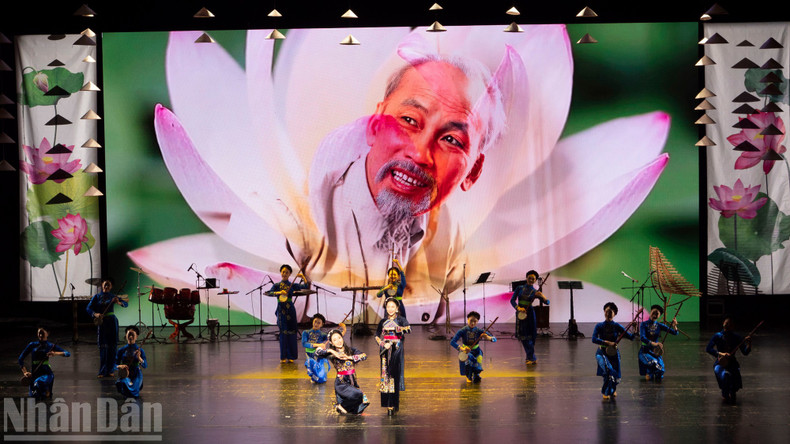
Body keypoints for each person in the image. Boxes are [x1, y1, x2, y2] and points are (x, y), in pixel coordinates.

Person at [308, 52, 510, 323]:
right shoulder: (307, 210)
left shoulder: (450, 236)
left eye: (451, 139)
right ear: (375, 124)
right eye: (410, 120)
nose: (420, 154)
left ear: (473, 171)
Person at [314, 329, 369, 415]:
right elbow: (317, 352)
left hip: (352, 381)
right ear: (331, 343)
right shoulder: (332, 354)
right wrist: (331, 351)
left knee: (362, 404)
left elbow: (364, 356)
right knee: (360, 395)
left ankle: (344, 408)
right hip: (341, 383)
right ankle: (342, 406)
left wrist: (349, 357)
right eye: (335, 340)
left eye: (339, 338)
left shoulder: (351, 350)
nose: (338, 341)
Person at [592, 302, 635, 400]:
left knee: (616, 375)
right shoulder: (599, 326)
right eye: (607, 310)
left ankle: (612, 389)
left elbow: (631, 337)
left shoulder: (617, 326)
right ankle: (605, 391)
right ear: (604, 312)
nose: (608, 313)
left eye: (611, 311)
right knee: (608, 371)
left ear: (614, 313)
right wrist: (607, 342)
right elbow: (594, 339)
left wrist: (635, 328)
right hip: (602, 352)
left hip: (614, 354)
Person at [375, 297, 411, 415]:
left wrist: (399, 329)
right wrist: (382, 343)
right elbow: (376, 335)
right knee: (385, 375)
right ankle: (388, 404)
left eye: (392, 307)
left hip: (396, 349)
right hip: (385, 350)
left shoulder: (401, 319)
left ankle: (394, 403)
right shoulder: (383, 321)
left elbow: (409, 329)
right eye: (388, 307)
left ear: (396, 308)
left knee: (393, 375)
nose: (390, 309)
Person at [269, 264, 311, 363]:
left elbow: (305, 286)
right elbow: (269, 293)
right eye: (283, 272)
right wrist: (279, 293)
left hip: (290, 310)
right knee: (283, 333)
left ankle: (291, 356)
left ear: (290, 274)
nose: (284, 274)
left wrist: (303, 277)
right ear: (280, 273)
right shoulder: (277, 285)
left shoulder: (292, 285)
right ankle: (283, 356)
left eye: (287, 272)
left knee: (292, 332)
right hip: (281, 310)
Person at [706, 315, 752, 404]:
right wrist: (721, 353)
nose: (727, 325)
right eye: (726, 323)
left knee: (733, 375)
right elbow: (708, 349)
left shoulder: (737, 337)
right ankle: (725, 392)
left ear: (732, 326)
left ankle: (732, 391)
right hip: (720, 362)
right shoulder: (718, 336)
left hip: (732, 363)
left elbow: (745, 352)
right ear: (723, 324)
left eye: (729, 324)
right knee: (722, 374)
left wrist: (749, 344)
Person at [86, 279, 128, 378]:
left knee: (112, 347)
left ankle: (110, 370)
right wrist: (95, 314)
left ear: (111, 287)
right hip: (102, 322)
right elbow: (88, 308)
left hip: (112, 322)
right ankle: (102, 371)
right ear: (102, 285)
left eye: (108, 285)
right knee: (103, 347)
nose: (106, 286)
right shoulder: (97, 297)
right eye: (105, 284)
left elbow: (126, 304)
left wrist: (118, 302)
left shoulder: (113, 296)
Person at [18, 326, 70, 400]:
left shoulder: (50, 346)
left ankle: (46, 390)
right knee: (34, 397)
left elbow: (67, 353)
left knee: (40, 384)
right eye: (39, 333)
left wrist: (55, 353)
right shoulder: (32, 345)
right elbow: (20, 358)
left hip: (46, 373)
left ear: (47, 334)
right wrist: (25, 372)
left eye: (42, 332)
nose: (40, 335)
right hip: (34, 374)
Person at [510, 270, 550, 365]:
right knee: (523, 336)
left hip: (530, 314)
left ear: (535, 280)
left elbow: (547, 302)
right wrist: (518, 308)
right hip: (520, 314)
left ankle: (530, 358)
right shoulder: (519, 288)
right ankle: (531, 357)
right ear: (526, 278)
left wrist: (542, 296)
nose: (531, 280)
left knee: (531, 337)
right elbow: (512, 300)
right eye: (529, 278)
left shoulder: (535, 292)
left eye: (533, 279)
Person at [450, 311, 496, 383]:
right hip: (466, 351)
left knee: (478, 360)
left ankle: (476, 374)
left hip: (477, 350)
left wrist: (487, 337)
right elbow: (452, 342)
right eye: (471, 321)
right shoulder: (462, 331)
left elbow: (494, 339)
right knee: (469, 361)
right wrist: (462, 348)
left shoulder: (479, 331)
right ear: (467, 319)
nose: (473, 323)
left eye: (475, 321)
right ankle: (469, 376)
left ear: (477, 321)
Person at [301, 313, 346, 384]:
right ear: (312, 321)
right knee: (312, 366)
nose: (316, 324)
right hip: (309, 354)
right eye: (315, 321)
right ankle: (314, 377)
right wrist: (318, 344)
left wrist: (344, 330)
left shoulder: (323, 335)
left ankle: (320, 377)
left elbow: (335, 337)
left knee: (321, 368)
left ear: (322, 324)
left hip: (318, 353)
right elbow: (304, 344)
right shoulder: (305, 332)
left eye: (319, 323)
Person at [638, 304, 678, 381]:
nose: (655, 315)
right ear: (650, 312)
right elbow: (642, 338)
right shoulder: (644, 324)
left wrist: (674, 326)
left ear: (659, 316)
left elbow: (675, 333)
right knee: (653, 363)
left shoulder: (659, 325)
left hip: (655, 351)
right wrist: (654, 343)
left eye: (657, 314)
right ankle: (649, 373)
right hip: (645, 351)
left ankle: (652, 373)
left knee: (661, 370)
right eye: (654, 312)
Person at [116, 325, 148, 398]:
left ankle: (135, 386)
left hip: (136, 374)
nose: (130, 336)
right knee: (122, 383)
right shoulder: (121, 350)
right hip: (126, 374)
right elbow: (113, 365)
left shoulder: (140, 350)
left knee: (133, 392)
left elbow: (145, 365)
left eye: (132, 334)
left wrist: (139, 358)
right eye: (129, 334)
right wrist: (119, 366)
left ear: (136, 336)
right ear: (126, 335)